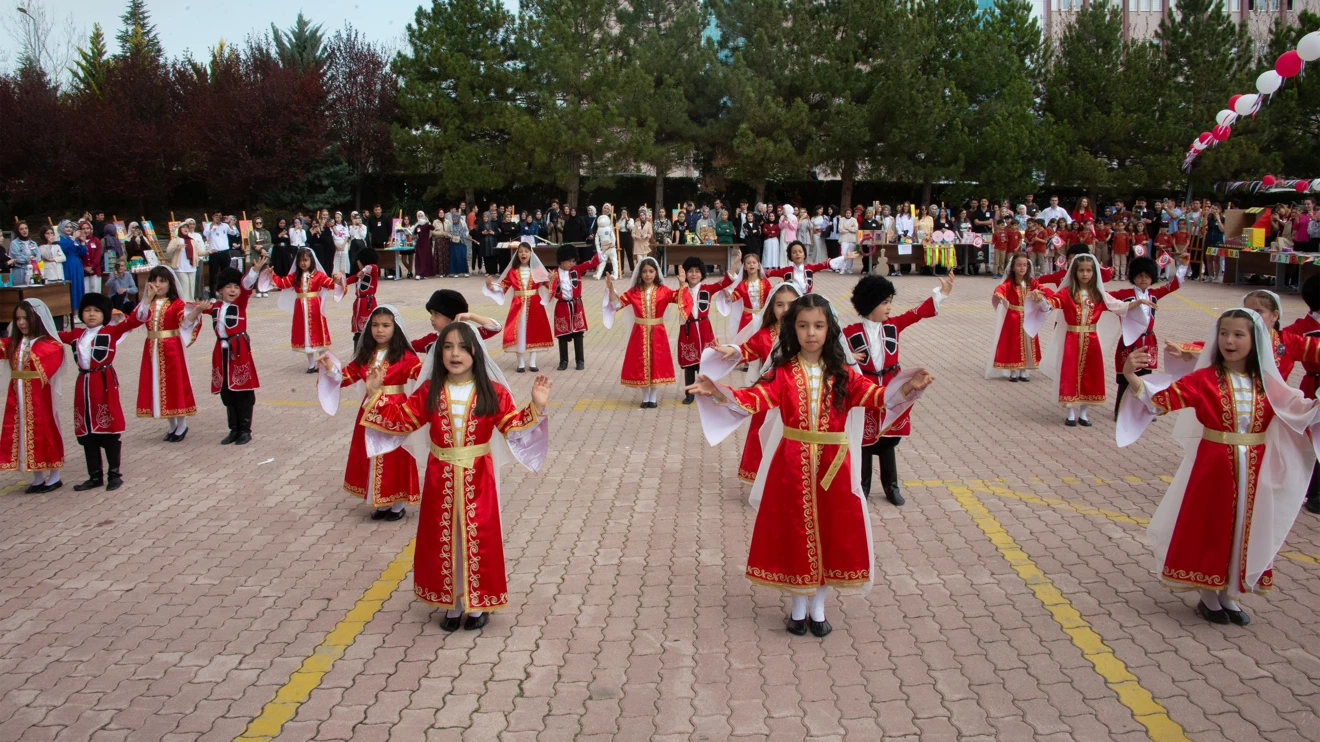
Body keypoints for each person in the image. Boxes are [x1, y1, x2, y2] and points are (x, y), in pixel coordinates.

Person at [687, 293, 934, 636]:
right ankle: (798, 608)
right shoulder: (783, 373)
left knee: (831, 532)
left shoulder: (845, 374)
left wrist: (906, 388)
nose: (811, 333)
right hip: (790, 466)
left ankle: (818, 609)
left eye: (818, 325)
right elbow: (755, 398)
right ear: (793, 330)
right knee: (795, 533)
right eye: (803, 326)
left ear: (829, 330)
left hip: (834, 467)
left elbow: (877, 398)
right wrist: (718, 392)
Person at [1117, 309, 1320, 626]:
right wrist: (1131, 376)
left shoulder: (1267, 383)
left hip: (1255, 467)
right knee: (1212, 524)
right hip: (1214, 465)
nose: (1229, 340)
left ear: (1255, 341)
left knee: (1244, 527)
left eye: (1239, 334)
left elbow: (1299, 410)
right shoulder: (1205, 378)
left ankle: (1229, 592)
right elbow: (1163, 400)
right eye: (1224, 333)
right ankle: (1207, 595)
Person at [361, 322, 551, 631]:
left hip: (479, 478)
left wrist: (535, 407)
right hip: (441, 478)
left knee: (480, 538)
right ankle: (452, 603)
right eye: (447, 347)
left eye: (462, 347)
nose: (455, 353)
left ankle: (477, 606)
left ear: (475, 352)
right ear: (439, 354)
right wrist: (375, 395)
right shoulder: (430, 390)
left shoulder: (494, 392)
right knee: (443, 539)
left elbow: (512, 426)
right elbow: (402, 420)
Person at [845, 273, 951, 504]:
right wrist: (847, 354)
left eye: (890, 301)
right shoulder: (850, 332)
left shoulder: (893, 325)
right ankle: (862, 487)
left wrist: (940, 294)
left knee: (888, 439)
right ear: (869, 303)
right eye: (884, 302)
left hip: (892, 390)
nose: (889, 307)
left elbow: (917, 313)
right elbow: (830, 347)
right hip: (866, 392)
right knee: (864, 440)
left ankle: (891, 486)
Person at [316, 306, 421, 522]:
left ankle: (398, 503)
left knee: (395, 455)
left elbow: (421, 375)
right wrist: (330, 367)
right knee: (373, 454)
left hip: (394, 410)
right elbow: (346, 376)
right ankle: (380, 501)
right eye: (375, 325)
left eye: (385, 325)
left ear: (396, 328)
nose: (379, 330)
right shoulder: (366, 355)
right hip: (369, 409)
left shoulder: (405, 355)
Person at [1029, 254, 1143, 427]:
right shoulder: (1067, 293)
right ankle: (1070, 413)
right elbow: (1050, 305)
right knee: (1070, 372)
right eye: (1081, 270)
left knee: (1091, 373)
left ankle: (1084, 413)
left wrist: (1138, 302)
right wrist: (1040, 300)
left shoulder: (1098, 294)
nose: (1085, 274)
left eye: (1088, 270)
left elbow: (1118, 306)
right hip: (1072, 338)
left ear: (1094, 272)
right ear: (1075, 272)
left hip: (1092, 339)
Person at [709, 282, 803, 483]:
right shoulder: (764, 334)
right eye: (779, 305)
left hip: (796, 397)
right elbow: (745, 350)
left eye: (790, 304)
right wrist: (730, 350)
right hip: (767, 396)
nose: (785, 310)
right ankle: (764, 480)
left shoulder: (804, 333)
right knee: (762, 434)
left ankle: (791, 480)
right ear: (771, 307)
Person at [57, 292, 142, 491]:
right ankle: (94, 476)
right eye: (87, 310)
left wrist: (145, 299)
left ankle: (114, 473)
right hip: (83, 384)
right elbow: (52, 336)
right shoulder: (76, 335)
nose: (92, 314)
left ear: (105, 314)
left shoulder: (111, 332)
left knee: (108, 429)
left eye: (96, 310)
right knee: (86, 431)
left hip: (103, 384)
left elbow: (135, 321)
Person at [185, 262, 264, 445]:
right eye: (228, 286)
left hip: (239, 351)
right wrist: (196, 308)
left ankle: (245, 430)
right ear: (220, 289)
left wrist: (254, 271)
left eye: (236, 286)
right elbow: (190, 308)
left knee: (243, 390)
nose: (233, 290)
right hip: (220, 353)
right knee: (227, 391)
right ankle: (234, 429)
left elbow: (247, 285)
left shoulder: (241, 303)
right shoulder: (215, 307)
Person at [1, 299, 66, 492]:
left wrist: (33, 352)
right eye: (18, 318)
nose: (21, 323)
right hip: (18, 396)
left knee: (44, 431)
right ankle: (37, 476)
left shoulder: (48, 343)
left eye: (25, 318)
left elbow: (52, 354)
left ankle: (54, 476)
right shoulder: (16, 343)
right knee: (22, 432)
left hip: (40, 397)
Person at [1109, 256, 1186, 418]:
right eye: (1140, 275)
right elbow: (1104, 298)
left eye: (1147, 276)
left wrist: (1183, 265)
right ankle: (1121, 411)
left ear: (1152, 278)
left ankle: (1144, 411)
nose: (1143, 279)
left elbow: (1174, 285)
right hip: (1130, 341)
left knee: (1146, 376)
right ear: (1133, 277)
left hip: (1149, 340)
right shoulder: (1124, 294)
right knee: (1125, 377)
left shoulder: (1154, 293)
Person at [604, 257, 682, 408]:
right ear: (640, 274)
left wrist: (682, 283)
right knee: (641, 363)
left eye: (651, 271)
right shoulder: (633, 292)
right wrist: (611, 288)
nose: (648, 275)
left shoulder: (663, 290)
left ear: (656, 273)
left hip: (658, 332)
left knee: (656, 363)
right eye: (645, 271)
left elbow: (679, 298)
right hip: (639, 332)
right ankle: (645, 397)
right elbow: (617, 304)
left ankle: (653, 397)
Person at [135, 267, 202, 442]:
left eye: (162, 281)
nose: (158, 285)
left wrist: (197, 311)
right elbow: (139, 318)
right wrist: (146, 298)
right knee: (158, 385)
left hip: (171, 348)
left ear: (170, 283)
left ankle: (182, 423)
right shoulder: (146, 303)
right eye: (155, 281)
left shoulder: (176, 304)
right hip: (152, 348)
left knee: (175, 384)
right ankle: (171, 423)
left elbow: (185, 322)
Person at [258, 247, 342, 373]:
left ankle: (323, 362)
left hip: (315, 309)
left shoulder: (318, 275)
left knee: (318, 333)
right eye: (300, 261)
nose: (303, 263)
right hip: (301, 310)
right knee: (305, 335)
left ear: (311, 261)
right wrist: (272, 275)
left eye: (306, 260)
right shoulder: (295, 276)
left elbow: (330, 284)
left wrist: (338, 278)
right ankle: (311, 364)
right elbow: (282, 283)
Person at [485, 241, 553, 372]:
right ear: (517, 254)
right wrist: (490, 286)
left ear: (530, 254)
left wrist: (551, 279)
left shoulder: (537, 270)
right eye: (521, 251)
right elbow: (503, 286)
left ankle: (533, 362)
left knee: (535, 331)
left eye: (526, 251)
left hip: (535, 304)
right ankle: (520, 363)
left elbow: (548, 285)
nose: (523, 254)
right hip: (518, 304)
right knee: (519, 331)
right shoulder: (512, 271)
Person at [676, 256, 728, 404]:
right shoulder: (681, 291)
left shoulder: (707, 289)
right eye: (690, 271)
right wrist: (681, 284)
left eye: (697, 271)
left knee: (705, 362)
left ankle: (706, 390)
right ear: (684, 274)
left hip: (705, 329)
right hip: (689, 329)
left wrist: (735, 265)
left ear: (702, 273)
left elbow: (724, 282)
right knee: (689, 364)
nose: (693, 274)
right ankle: (690, 394)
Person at [987, 253, 1042, 383]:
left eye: (1024, 265)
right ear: (1013, 267)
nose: (1022, 268)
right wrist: (1001, 296)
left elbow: (1042, 289)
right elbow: (1000, 289)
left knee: (1028, 343)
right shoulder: (1010, 283)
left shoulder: (1031, 282)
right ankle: (1013, 371)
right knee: (1013, 344)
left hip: (1028, 317)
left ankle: (1023, 371)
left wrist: (1041, 294)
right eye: (1019, 265)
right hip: (1013, 317)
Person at [549, 244, 602, 371]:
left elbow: (590, 263)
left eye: (573, 261)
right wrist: (550, 281)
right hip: (562, 306)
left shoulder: (577, 270)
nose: (571, 263)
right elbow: (549, 290)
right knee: (562, 334)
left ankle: (580, 360)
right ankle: (563, 361)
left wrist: (601, 253)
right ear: (561, 260)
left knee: (578, 333)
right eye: (569, 261)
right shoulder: (553, 273)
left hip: (576, 305)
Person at [411, 289, 502, 355]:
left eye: (436, 314)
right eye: (431, 313)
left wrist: (471, 316)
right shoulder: (431, 340)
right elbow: (406, 346)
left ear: (452, 316)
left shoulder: (469, 335)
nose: (432, 318)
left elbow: (495, 327)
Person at [765, 240, 856, 292]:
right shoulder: (785, 270)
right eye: (794, 252)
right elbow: (768, 273)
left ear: (804, 255)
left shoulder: (809, 268)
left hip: (806, 299)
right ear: (790, 256)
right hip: (791, 300)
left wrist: (844, 257)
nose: (798, 254)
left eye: (800, 252)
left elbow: (825, 264)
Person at [349, 248, 380, 347]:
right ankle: (357, 354)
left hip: (367, 303)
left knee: (368, 329)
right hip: (358, 303)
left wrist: (363, 270)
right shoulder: (359, 274)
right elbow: (348, 280)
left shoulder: (373, 270)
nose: (357, 263)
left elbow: (372, 267)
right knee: (358, 331)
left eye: (359, 261)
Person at [164, 222, 200, 303]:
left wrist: (208, 251)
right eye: (183, 227)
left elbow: (198, 252)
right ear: (180, 229)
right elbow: (168, 250)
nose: (186, 229)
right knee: (185, 285)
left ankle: (191, 302)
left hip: (191, 267)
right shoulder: (176, 240)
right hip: (180, 267)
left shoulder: (191, 240)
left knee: (191, 287)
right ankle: (184, 304)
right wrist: (177, 246)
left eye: (187, 227)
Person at [59, 220, 87, 313]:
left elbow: (82, 252)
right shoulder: (60, 239)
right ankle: (71, 311)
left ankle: (79, 310)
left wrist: (82, 243)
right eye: (66, 227)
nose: (69, 229)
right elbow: (64, 249)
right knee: (72, 287)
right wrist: (73, 239)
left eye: (70, 227)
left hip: (77, 265)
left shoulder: (74, 239)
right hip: (68, 264)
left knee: (79, 285)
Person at [448, 210, 470, 277]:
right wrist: (451, 236)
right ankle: (455, 272)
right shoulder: (450, 224)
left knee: (463, 257)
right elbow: (448, 232)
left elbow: (467, 230)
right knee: (455, 257)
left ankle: (465, 271)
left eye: (455, 220)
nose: (454, 221)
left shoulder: (463, 223)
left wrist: (464, 236)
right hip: (454, 242)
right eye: (453, 220)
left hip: (462, 242)